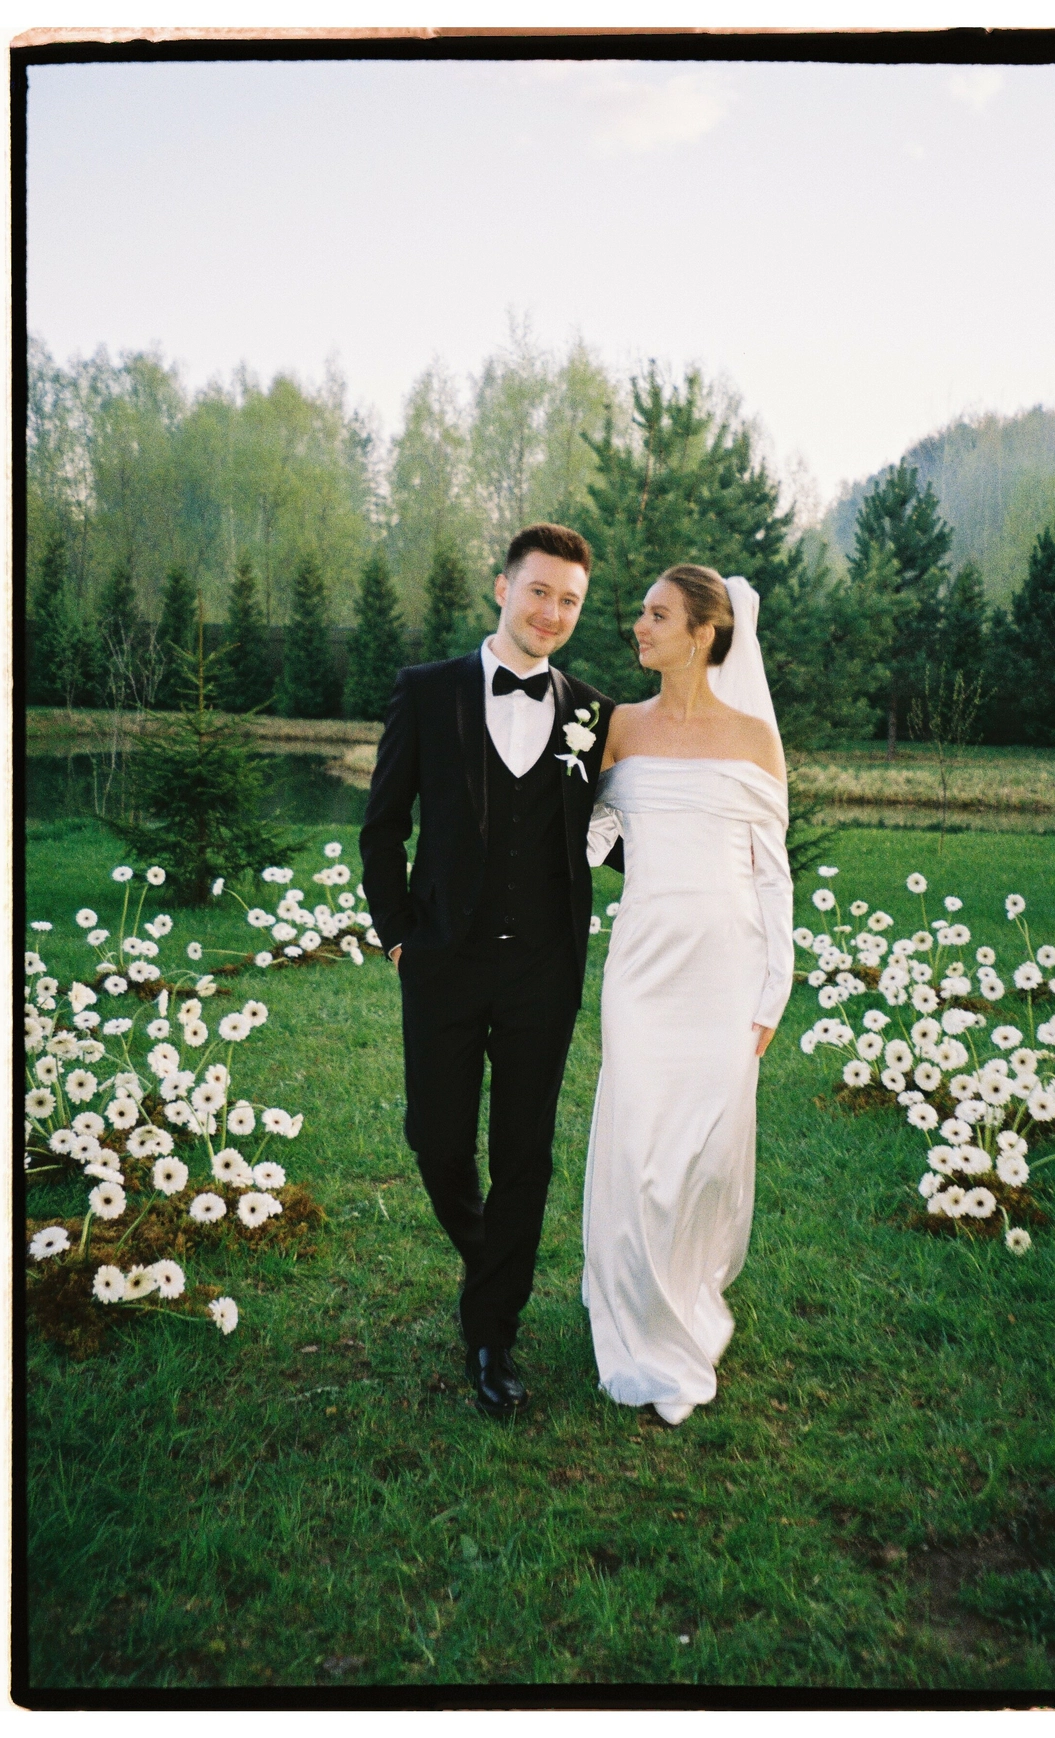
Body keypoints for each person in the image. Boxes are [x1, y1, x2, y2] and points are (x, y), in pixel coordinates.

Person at [359, 522, 621, 1419]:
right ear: (503, 588)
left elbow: (615, 831)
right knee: (436, 1143)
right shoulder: (427, 691)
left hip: (543, 970)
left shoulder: (593, 713)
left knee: (523, 1154)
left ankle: (491, 1331)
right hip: (443, 963)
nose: (552, 612)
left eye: (570, 601)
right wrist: (399, 937)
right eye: (539, 591)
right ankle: (492, 1261)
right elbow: (382, 826)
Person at [581, 564, 793, 1426]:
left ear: (704, 634)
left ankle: (684, 1294)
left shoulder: (754, 738)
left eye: (658, 614)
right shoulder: (619, 727)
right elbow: (591, 833)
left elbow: (773, 876)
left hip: (726, 967)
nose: (639, 625)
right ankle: (634, 1313)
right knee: (637, 1138)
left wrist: (773, 992)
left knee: (702, 1149)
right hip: (642, 963)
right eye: (642, 612)